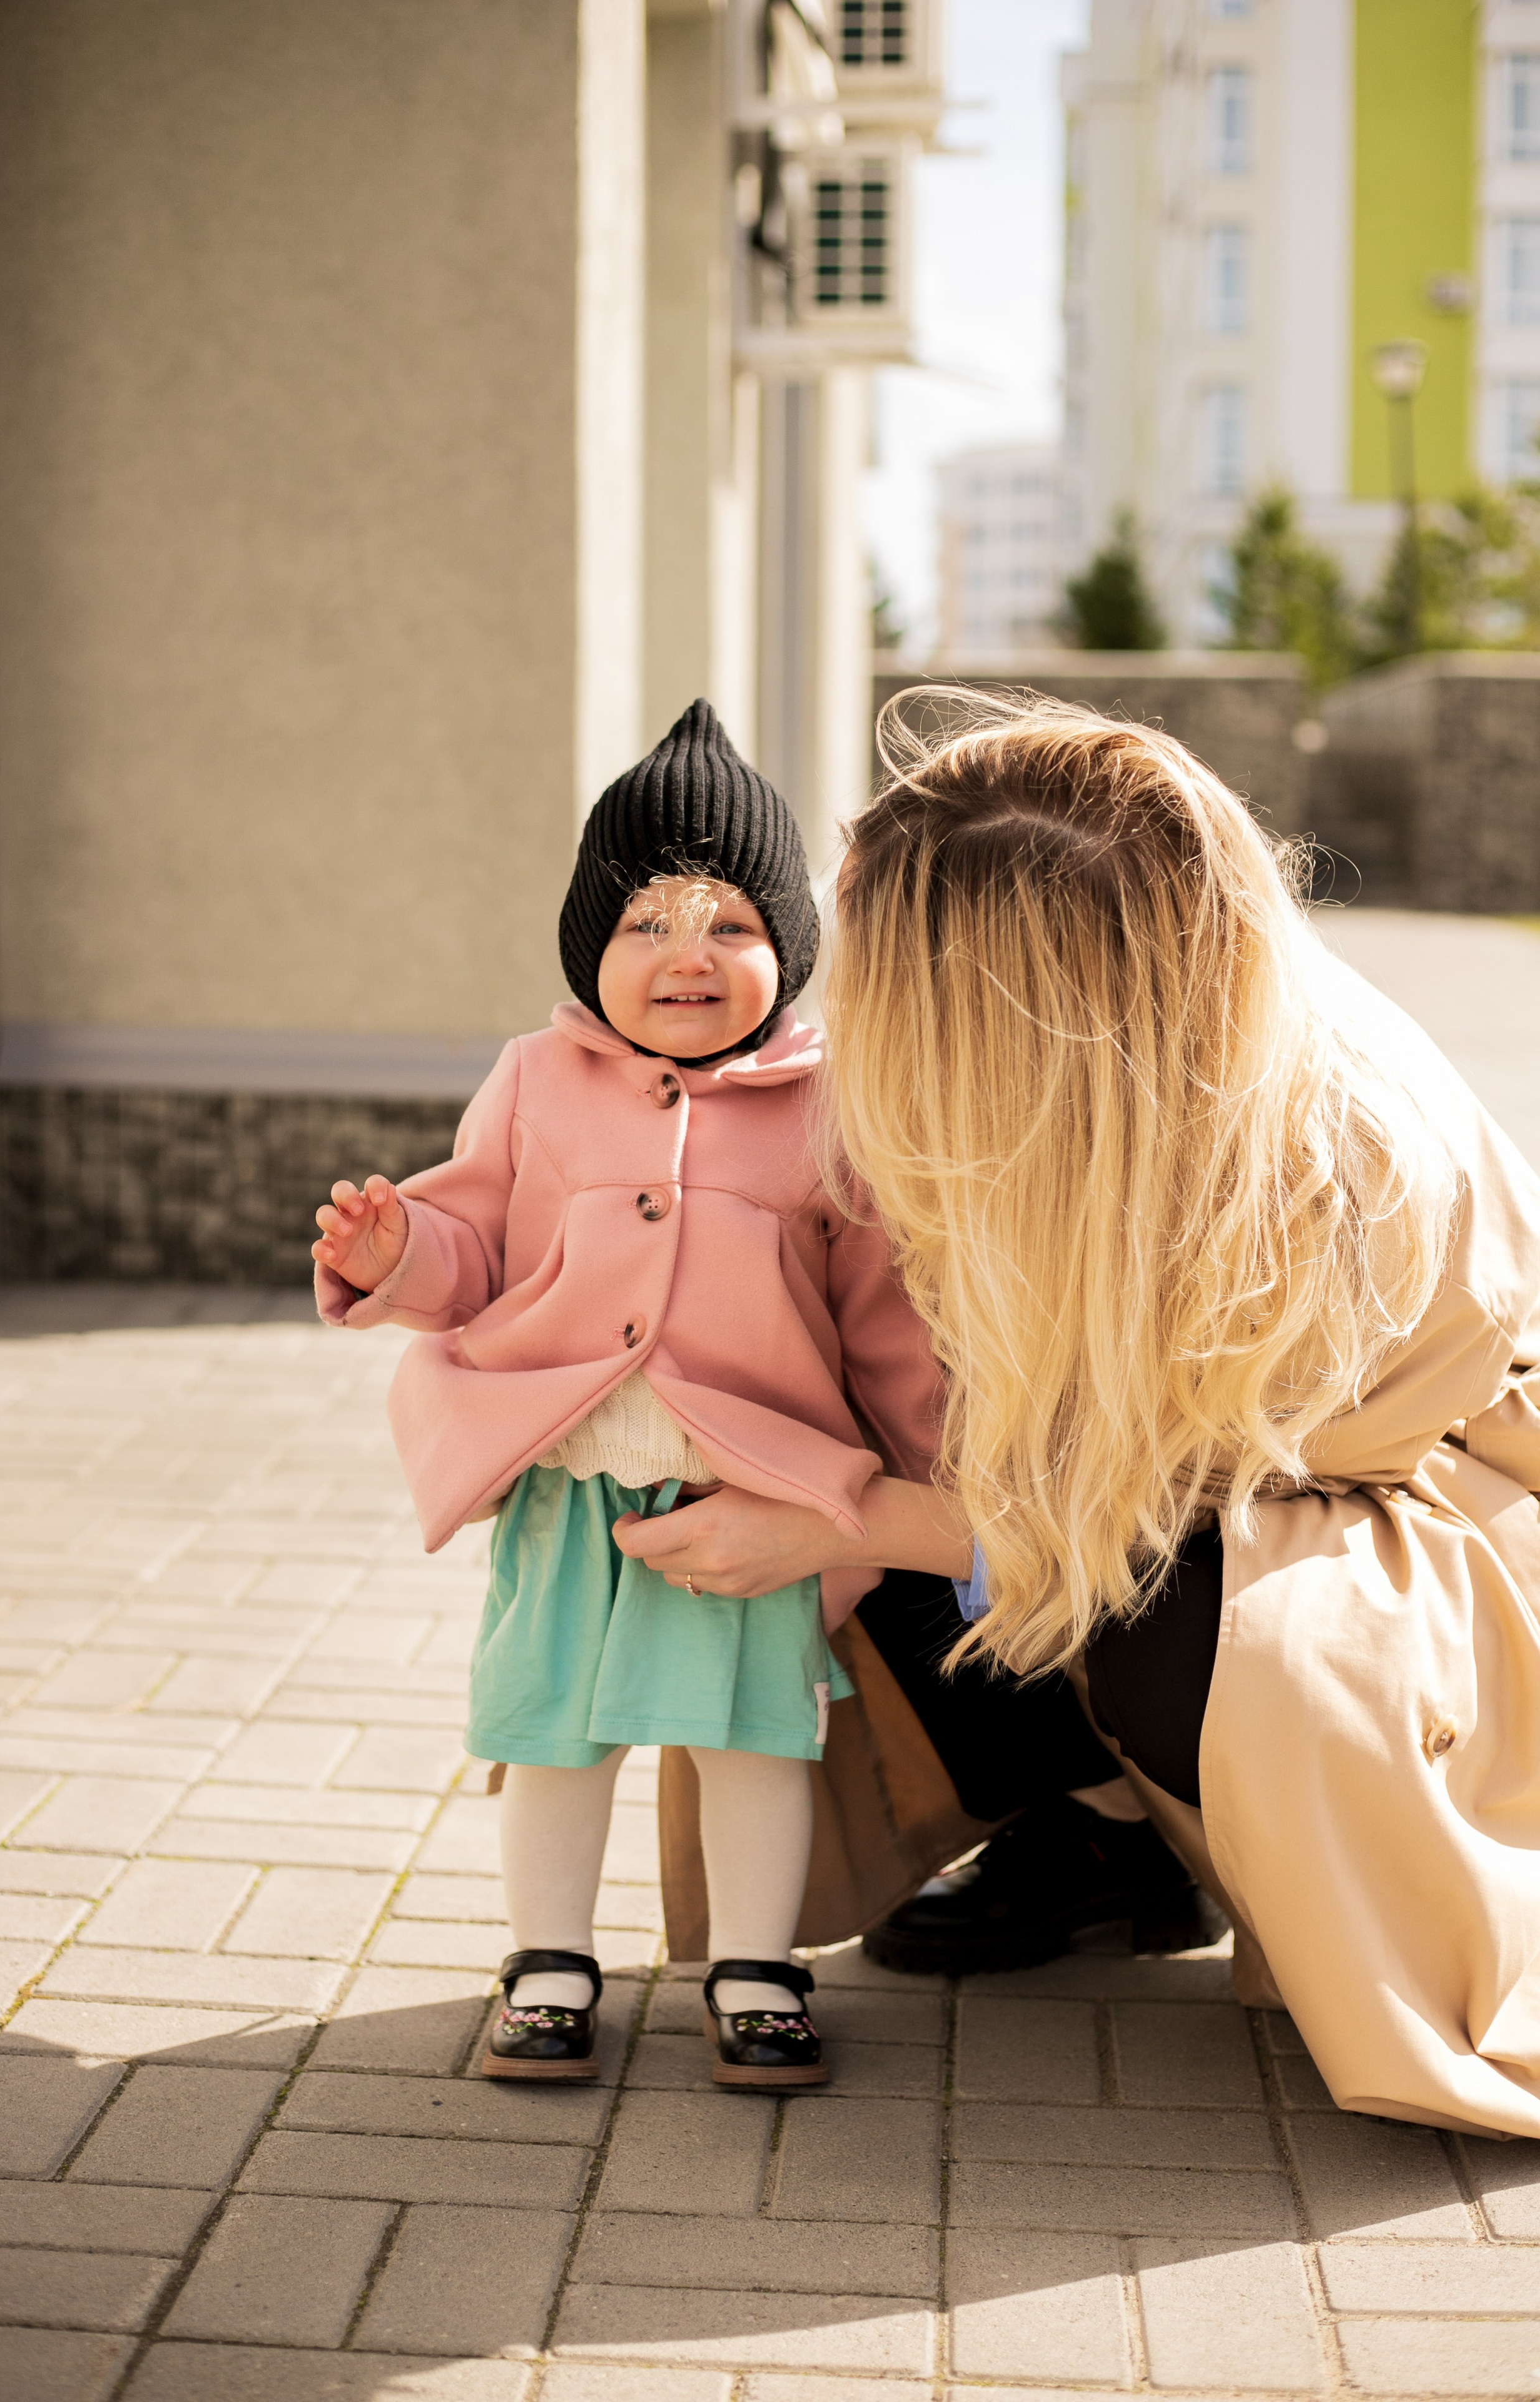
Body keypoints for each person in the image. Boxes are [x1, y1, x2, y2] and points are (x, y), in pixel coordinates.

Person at [616, 689, 1540, 2141]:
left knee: (1207, 1631)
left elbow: (1146, 1522)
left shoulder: (1326, 1177)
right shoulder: (1110, 1072)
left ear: (1023, 1002)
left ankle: (1333, 1893)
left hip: (1421, 1535)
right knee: (830, 1434)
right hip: (1134, 1501)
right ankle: (1101, 1842)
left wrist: (833, 1519)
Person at [310, 699, 949, 2090]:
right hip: (571, 1478)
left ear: (783, 950)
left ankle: (756, 1967)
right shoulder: (536, 1081)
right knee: (554, 1737)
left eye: (728, 922)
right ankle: (546, 1962)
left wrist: (915, 1481)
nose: (687, 956)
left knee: (750, 1743)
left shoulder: (833, 1103)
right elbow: (474, 1245)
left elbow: (879, 1318)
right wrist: (399, 1253)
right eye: (646, 924)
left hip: (754, 1496)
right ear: (587, 950)